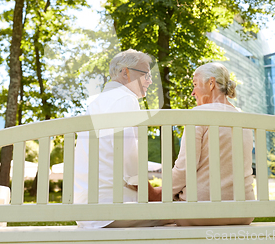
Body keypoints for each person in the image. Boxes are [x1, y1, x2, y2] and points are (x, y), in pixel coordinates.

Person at [74, 49, 164, 228]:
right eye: (146, 74)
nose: (150, 80)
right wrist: (154, 194)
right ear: (126, 72)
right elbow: (130, 164)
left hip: (88, 211)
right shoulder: (125, 99)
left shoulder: (98, 102)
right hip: (112, 209)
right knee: (186, 215)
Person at [171, 62, 255, 226]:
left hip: (201, 212)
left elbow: (184, 169)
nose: (193, 92)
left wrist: (160, 192)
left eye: (195, 84)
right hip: (244, 212)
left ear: (211, 83)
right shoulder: (245, 120)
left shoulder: (198, 115)